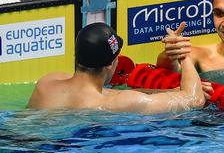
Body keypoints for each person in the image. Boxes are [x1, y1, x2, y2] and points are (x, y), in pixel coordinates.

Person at [28, 22, 206, 114]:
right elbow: (194, 100)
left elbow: (105, 92)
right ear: (110, 64)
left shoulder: (48, 82)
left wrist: (171, 91)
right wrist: (183, 53)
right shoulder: (120, 104)